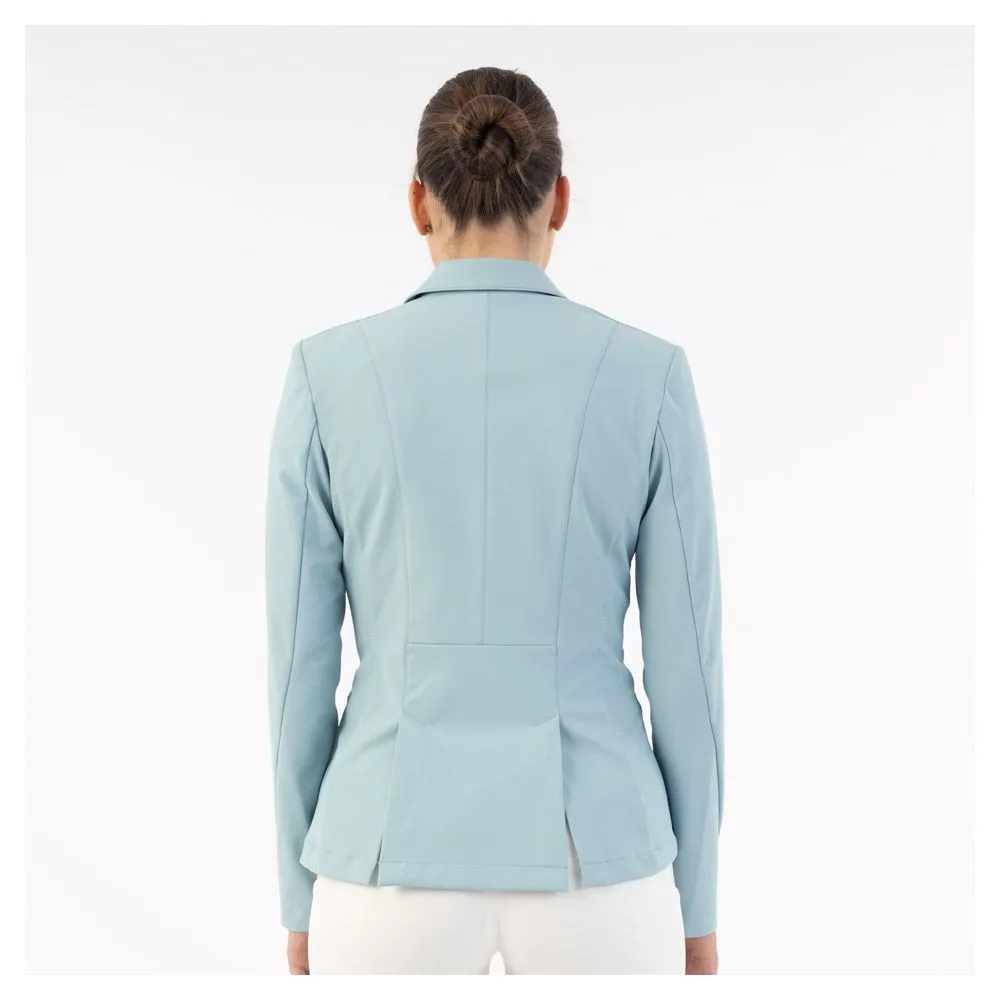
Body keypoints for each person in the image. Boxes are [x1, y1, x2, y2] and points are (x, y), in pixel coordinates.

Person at [265, 65, 725, 975]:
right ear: (560, 201)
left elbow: (296, 672)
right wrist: (698, 906)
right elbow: (689, 680)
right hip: (599, 863)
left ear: (417, 203)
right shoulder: (648, 376)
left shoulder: (327, 375)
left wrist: (298, 891)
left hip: (381, 862)